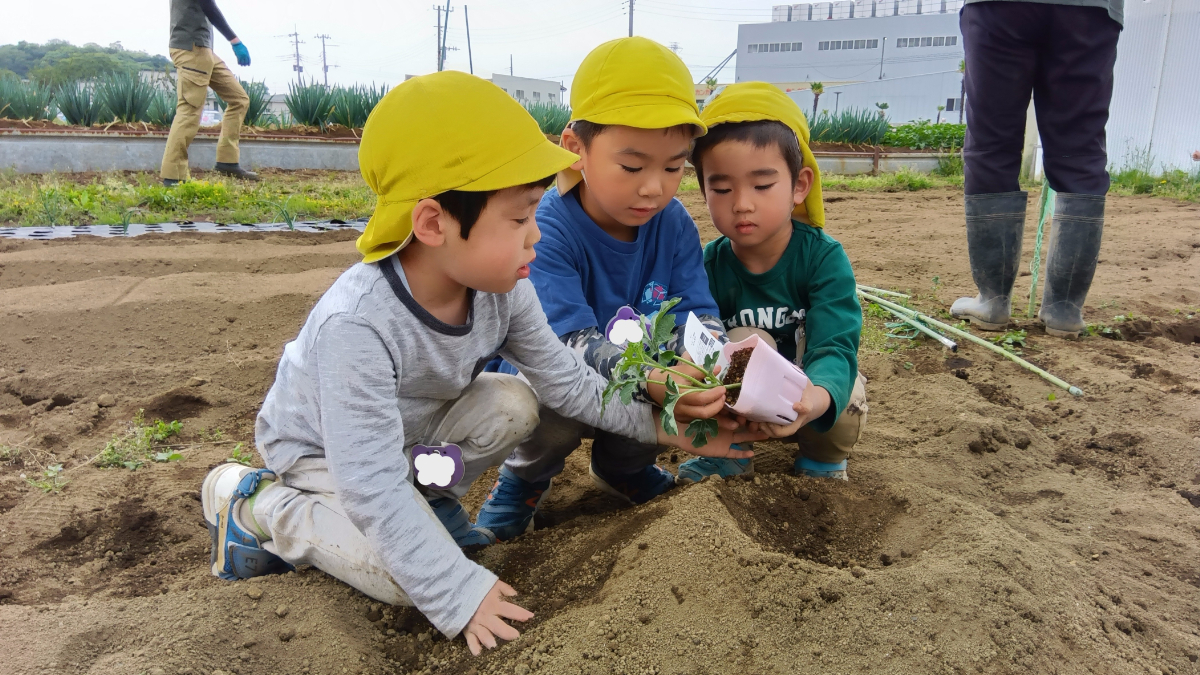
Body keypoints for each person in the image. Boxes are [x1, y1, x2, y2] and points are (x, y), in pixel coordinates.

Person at [199, 72, 756, 655]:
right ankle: (254, 503)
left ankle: (432, 502)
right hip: (327, 457)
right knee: (402, 580)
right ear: (435, 223)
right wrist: (455, 591)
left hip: (414, 438)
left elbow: (572, 386)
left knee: (514, 402)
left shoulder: (503, 288)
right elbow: (368, 484)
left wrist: (672, 430)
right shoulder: (357, 324)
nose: (536, 237)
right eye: (518, 220)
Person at [475, 37, 734, 539]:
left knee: (675, 379)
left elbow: (696, 314)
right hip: (558, 380)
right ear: (576, 149)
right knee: (546, 406)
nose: (654, 187)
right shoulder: (546, 228)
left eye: (673, 167)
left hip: (643, 379)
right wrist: (658, 377)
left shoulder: (673, 224)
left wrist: (707, 360)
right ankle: (523, 483)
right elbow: (566, 345)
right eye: (633, 167)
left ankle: (623, 469)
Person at [676, 82, 867, 483]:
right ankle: (731, 454)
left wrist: (816, 398)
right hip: (742, 403)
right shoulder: (707, 264)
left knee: (846, 393)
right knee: (743, 342)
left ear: (799, 186)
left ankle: (822, 460)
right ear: (704, 188)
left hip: (805, 390)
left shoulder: (822, 258)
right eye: (722, 187)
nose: (742, 203)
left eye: (762, 185)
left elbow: (834, 343)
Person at [951, 0, 1123, 338]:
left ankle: (992, 300)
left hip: (1000, 8)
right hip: (1091, 10)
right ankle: (1064, 309)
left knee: (992, 144)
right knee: (1081, 147)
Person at [160, 0, 259, 186]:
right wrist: (234, 40)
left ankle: (227, 162)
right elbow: (208, 5)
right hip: (191, 49)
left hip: (203, 50)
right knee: (189, 110)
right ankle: (173, 176)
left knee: (239, 99)